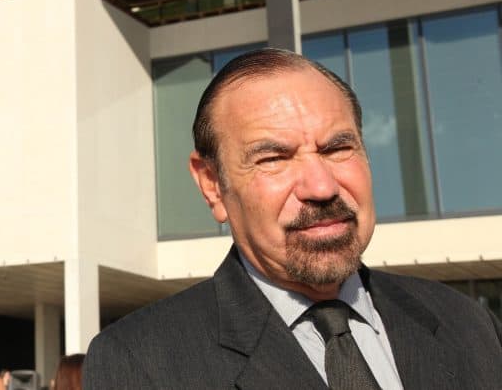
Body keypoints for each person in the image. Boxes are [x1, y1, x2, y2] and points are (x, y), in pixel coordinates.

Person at [83, 48, 502, 388]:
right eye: (274, 158)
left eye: (338, 149)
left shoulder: (466, 323)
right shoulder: (142, 362)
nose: (321, 187)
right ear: (212, 184)